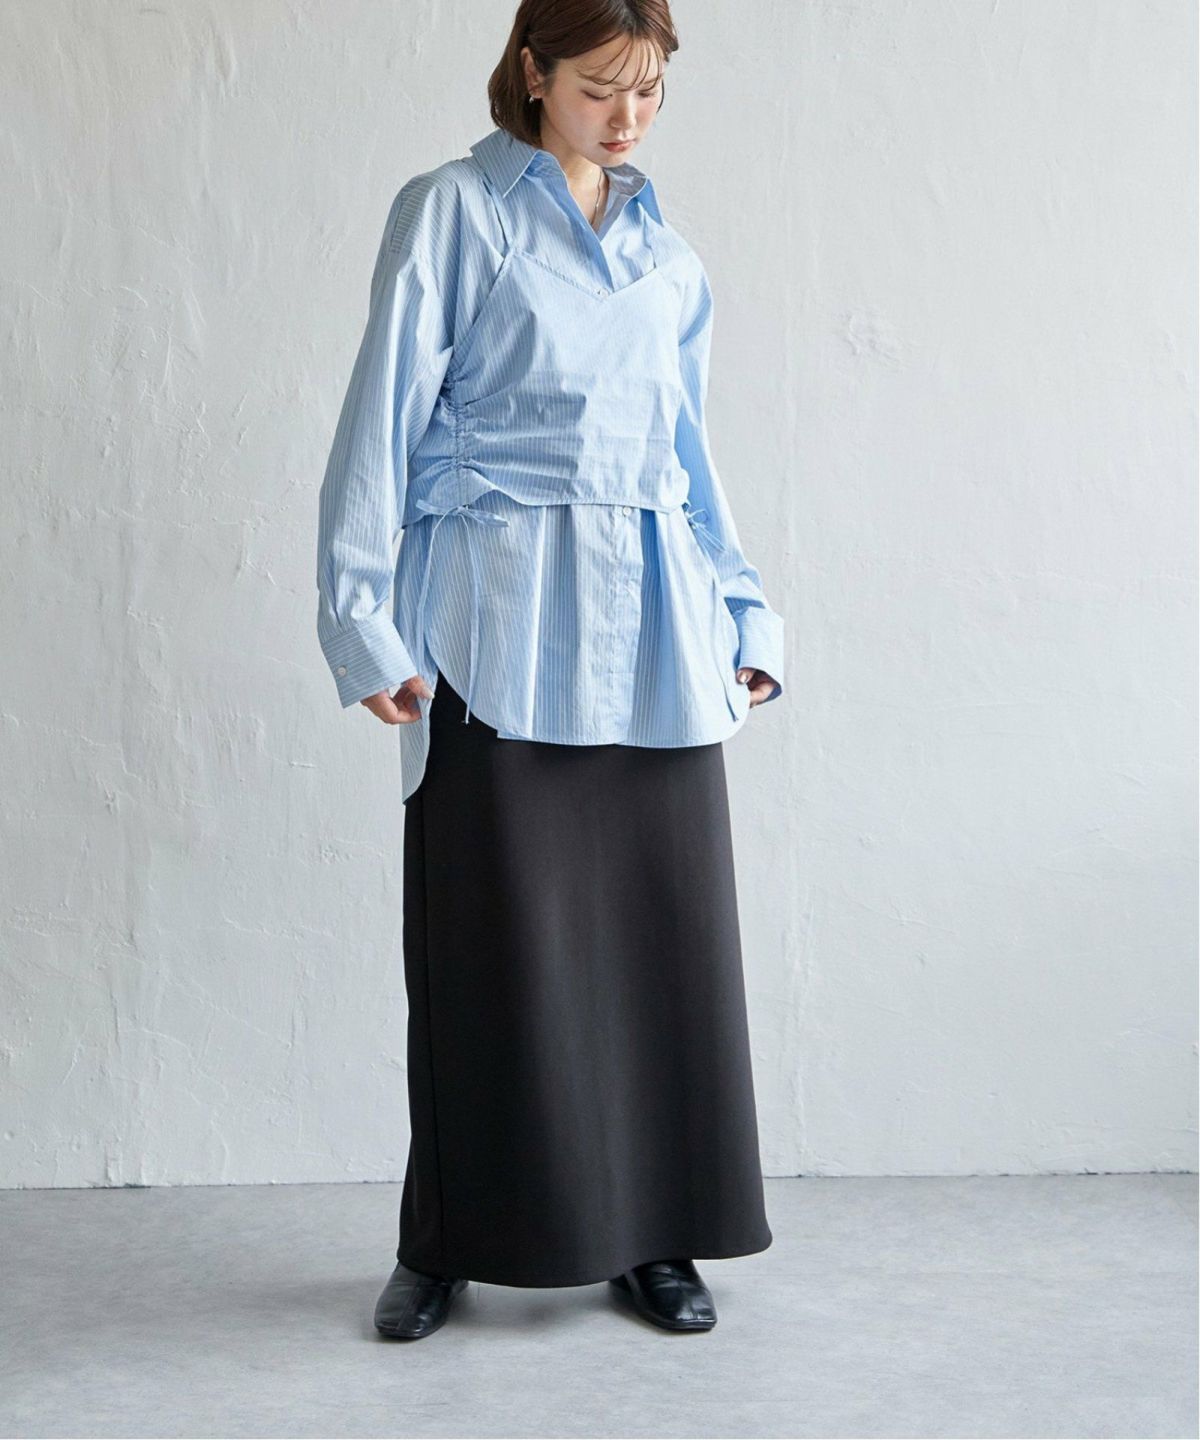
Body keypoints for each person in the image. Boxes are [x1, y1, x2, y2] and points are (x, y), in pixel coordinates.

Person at [315, 0, 785, 1341]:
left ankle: (655, 1237)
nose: (627, 117)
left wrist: (748, 617)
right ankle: (447, 1240)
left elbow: (689, 460)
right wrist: (360, 618)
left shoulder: (670, 260)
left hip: (659, 637)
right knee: (490, 955)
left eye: (650, 90)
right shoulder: (453, 214)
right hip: (493, 630)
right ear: (533, 69)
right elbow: (378, 419)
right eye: (599, 85)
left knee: (663, 951)